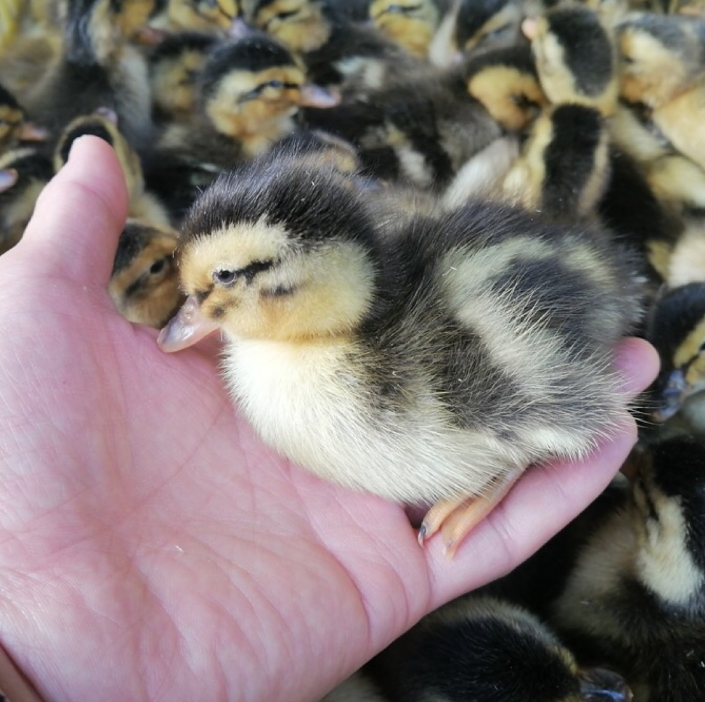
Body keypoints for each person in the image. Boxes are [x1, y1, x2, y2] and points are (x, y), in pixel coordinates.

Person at [0, 137, 658, 702]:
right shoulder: (292, 350)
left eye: (216, 282)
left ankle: (500, 465)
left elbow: (571, 408)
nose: (191, 310)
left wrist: (502, 465)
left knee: (499, 394)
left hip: (515, 315)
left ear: (312, 276)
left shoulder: (406, 371)